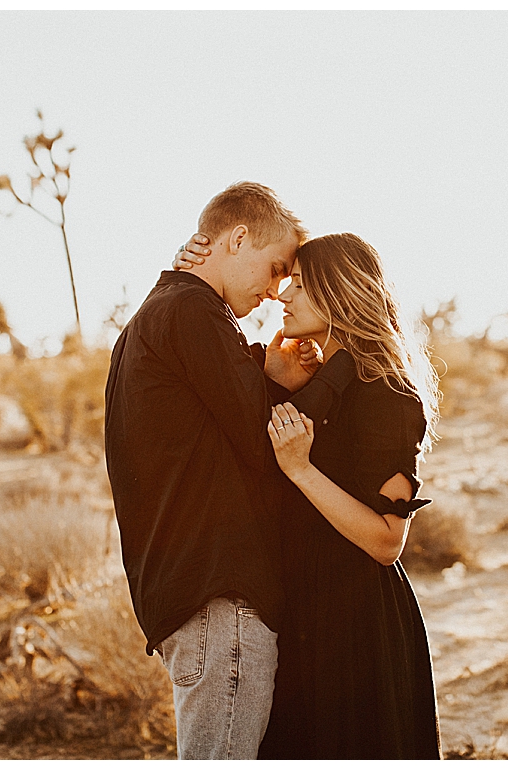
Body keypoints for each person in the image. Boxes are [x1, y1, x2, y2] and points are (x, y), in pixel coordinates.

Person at [103, 182, 356, 760]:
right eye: (273, 270)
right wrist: (334, 374)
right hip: (221, 601)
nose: (274, 292)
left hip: (198, 598)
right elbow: (265, 440)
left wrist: (265, 370)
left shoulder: (163, 312)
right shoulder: (192, 311)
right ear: (237, 238)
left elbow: (221, 426)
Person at [175, 231, 442, 758]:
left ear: (338, 292)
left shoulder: (387, 394)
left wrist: (301, 470)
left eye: (298, 283)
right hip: (298, 609)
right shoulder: (319, 385)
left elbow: (388, 541)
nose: (283, 295)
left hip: (354, 621)